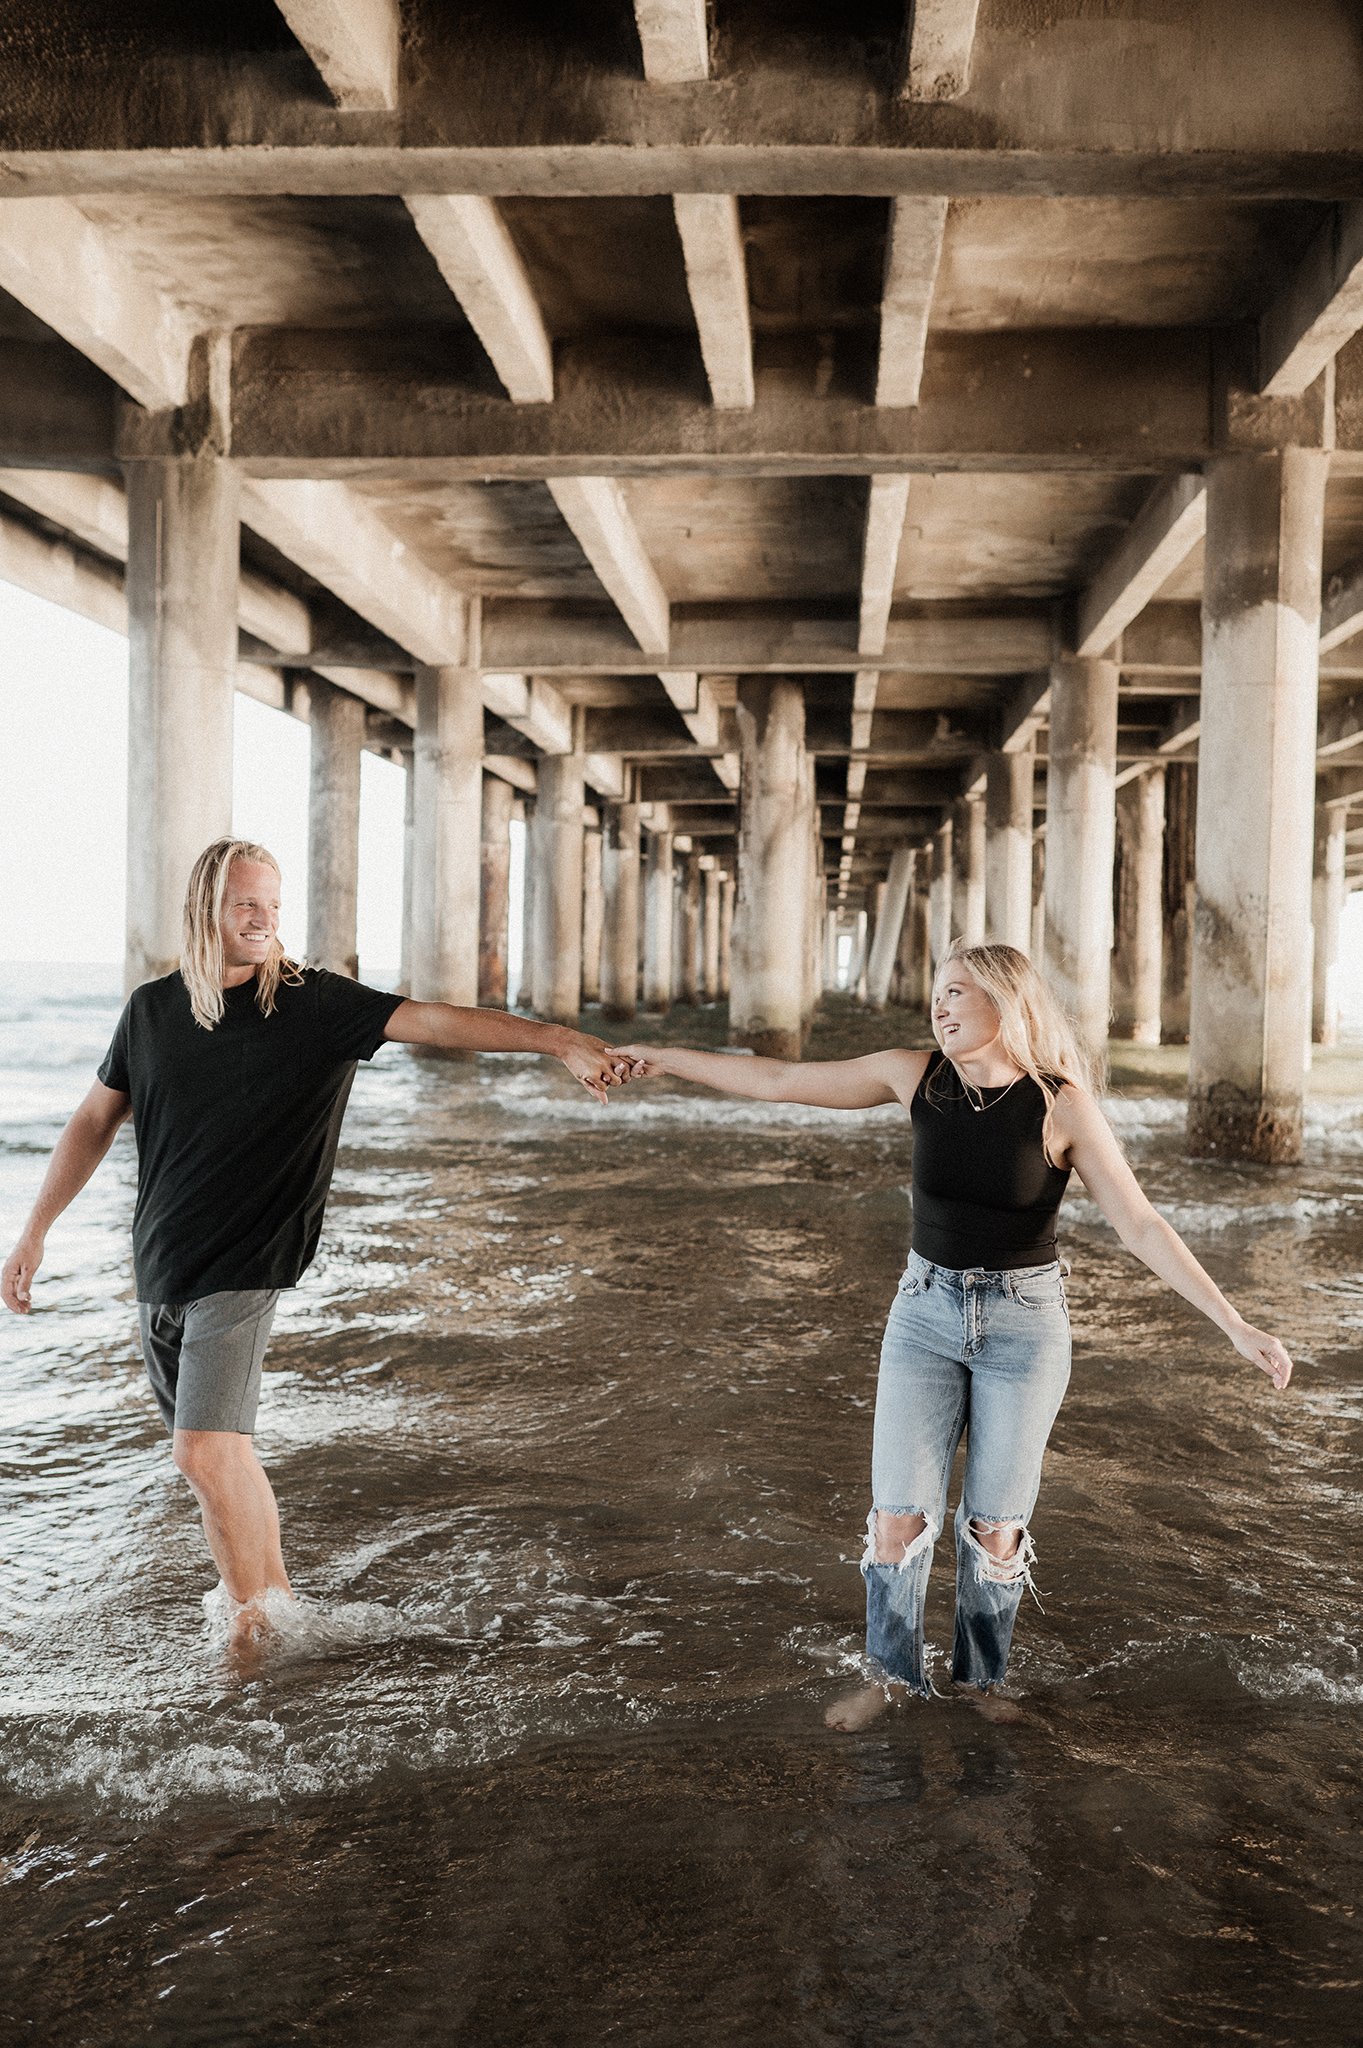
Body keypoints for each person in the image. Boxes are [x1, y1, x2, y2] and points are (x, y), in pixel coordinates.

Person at [612, 941, 1294, 1730]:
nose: (939, 1008)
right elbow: (778, 1080)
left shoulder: (1059, 1104)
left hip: (1024, 1326)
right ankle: (892, 1677)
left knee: (994, 1528)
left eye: (957, 994)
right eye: (936, 994)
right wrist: (659, 1057)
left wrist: (1233, 1323)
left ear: (1005, 1002)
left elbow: (1139, 1223)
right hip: (923, 1314)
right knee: (896, 1517)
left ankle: (979, 1682)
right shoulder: (914, 1076)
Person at [1, 837, 631, 1647]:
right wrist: (33, 1233)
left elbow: (435, 1020)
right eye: (246, 906)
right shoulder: (151, 1010)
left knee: (203, 1450)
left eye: (273, 905)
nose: (265, 921)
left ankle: (252, 1634)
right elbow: (93, 1120)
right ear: (206, 910)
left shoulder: (309, 1002)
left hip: (247, 1259)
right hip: (161, 1265)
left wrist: (557, 1039)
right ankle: (272, 1611)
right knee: (215, 1459)